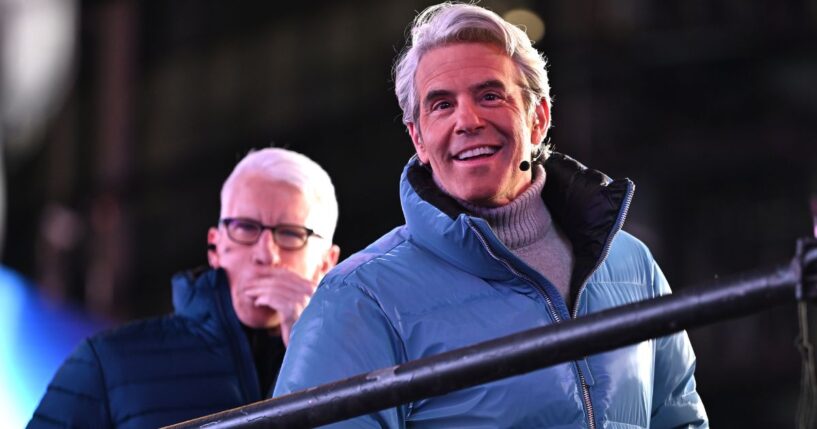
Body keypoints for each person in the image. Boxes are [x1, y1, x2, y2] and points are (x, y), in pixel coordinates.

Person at [274, 3, 708, 428]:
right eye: (442, 105)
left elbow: (680, 420)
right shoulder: (359, 298)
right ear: (419, 139)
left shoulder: (631, 266)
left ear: (538, 119)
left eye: (490, 94)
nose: (468, 120)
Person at [27, 147, 341, 429]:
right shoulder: (109, 361)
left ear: (326, 262)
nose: (265, 254)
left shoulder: (364, 363)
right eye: (246, 227)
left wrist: (311, 353)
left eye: (289, 234)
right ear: (215, 248)